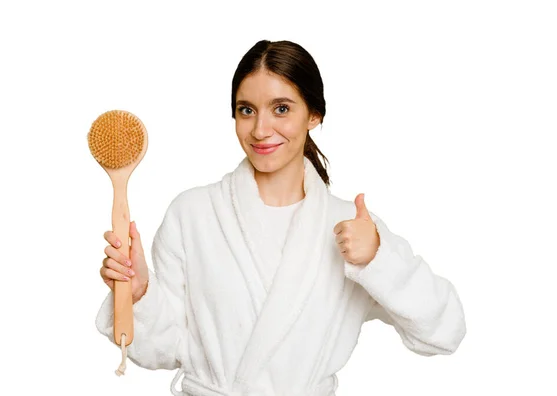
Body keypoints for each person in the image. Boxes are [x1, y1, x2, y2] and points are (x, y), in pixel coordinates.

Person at [96, 39, 466, 396]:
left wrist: (379, 260)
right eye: (246, 110)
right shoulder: (192, 214)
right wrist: (140, 292)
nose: (260, 129)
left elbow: (444, 331)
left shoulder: (351, 228)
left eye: (282, 109)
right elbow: (160, 350)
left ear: (314, 115)